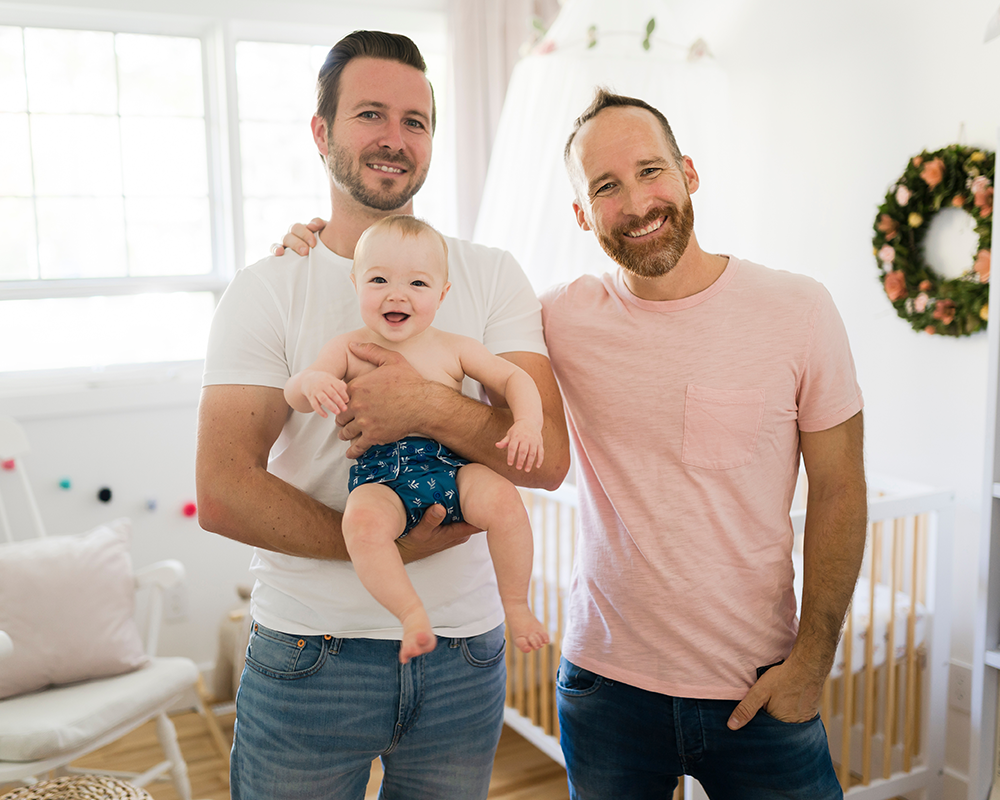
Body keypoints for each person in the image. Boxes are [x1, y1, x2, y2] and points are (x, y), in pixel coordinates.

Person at [277, 87, 867, 798]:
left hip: (760, 685)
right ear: (584, 214)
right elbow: (414, 287)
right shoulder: (558, 317)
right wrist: (318, 245)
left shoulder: (798, 310)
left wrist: (812, 661)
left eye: (651, 171)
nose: (637, 203)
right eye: (606, 187)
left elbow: (840, 489)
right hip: (605, 690)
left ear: (688, 173)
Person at [196, 30, 569, 800]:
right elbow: (224, 491)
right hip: (311, 653)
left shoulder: (489, 276)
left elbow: (549, 458)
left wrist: (425, 405)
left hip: (465, 657)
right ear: (321, 132)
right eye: (370, 114)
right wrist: (392, 548)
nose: (395, 138)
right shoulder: (270, 287)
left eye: (415, 121)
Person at [284, 214, 550, 663]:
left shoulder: (454, 346)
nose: (397, 294)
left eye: (418, 284)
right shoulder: (347, 348)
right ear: (355, 283)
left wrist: (527, 423)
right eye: (379, 279)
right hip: (380, 479)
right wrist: (312, 383)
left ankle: (517, 606)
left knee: (505, 501)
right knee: (361, 526)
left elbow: (514, 377)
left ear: (442, 294)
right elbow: (295, 393)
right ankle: (410, 614)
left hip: (452, 469)